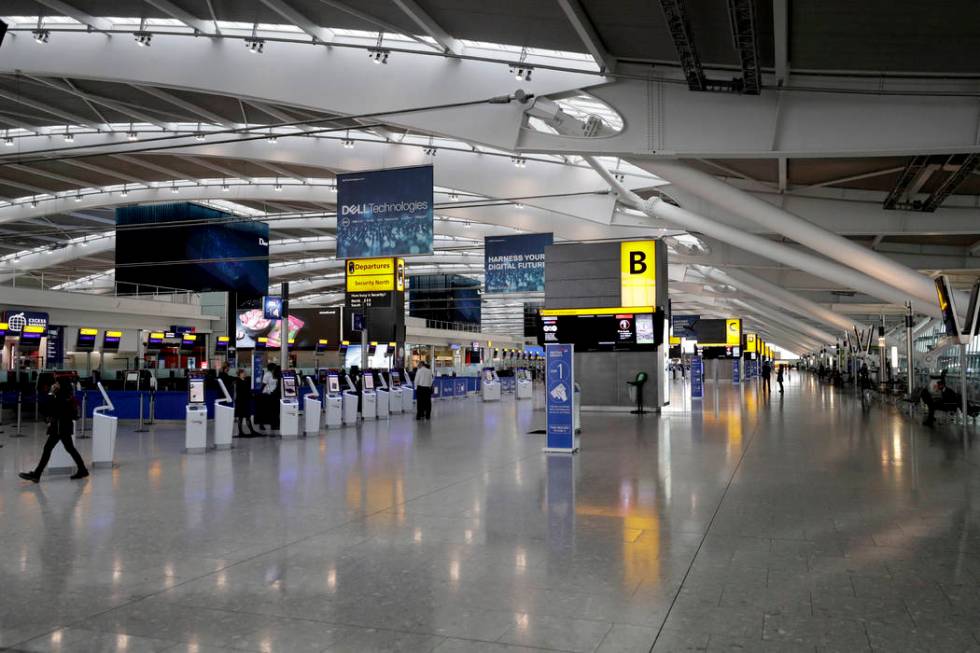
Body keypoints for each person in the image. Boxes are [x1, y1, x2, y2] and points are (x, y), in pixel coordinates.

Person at [19, 379, 88, 483]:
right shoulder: (65, 398)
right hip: (62, 428)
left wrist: (51, 393)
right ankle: (82, 470)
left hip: (59, 429)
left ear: (61, 387)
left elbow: (49, 409)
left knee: (49, 449)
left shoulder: (60, 398)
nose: (54, 385)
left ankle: (37, 474)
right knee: (69, 449)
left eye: (57, 384)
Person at [233, 368, 258, 437]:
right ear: (240, 374)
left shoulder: (246, 380)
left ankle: (251, 431)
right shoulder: (237, 381)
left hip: (246, 401)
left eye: (245, 373)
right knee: (240, 417)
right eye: (243, 373)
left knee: (247, 416)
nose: (245, 374)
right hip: (240, 401)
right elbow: (237, 392)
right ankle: (241, 432)